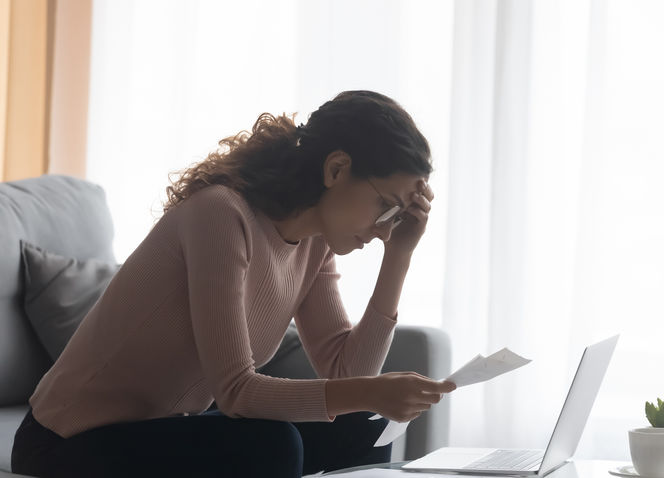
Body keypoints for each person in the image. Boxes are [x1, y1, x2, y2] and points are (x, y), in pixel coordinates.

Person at [11, 90, 456, 478]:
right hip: (68, 441)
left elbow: (349, 379)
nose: (384, 229)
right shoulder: (221, 215)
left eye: (397, 218)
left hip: (164, 431)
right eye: (385, 207)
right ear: (336, 169)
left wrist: (400, 254)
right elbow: (236, 392)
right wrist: (372, 391)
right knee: (273, 446)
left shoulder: (313, 245)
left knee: (365, 425)